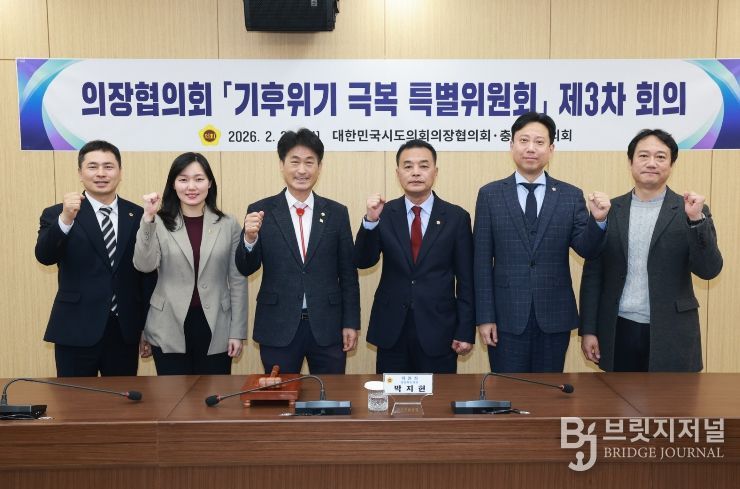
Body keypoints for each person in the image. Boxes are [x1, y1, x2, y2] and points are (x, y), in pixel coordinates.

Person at [473, 112, 610, 373]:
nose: (531, 148)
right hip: (505, 317)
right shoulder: (490, 195)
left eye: (539, 142)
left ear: (551, 149)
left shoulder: (570, 195)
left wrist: (599, 220)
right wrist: (485, 317)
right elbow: (481, 262)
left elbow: (587, 249)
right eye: (524, 140)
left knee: (549, 390)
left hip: (554, 316)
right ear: (512, 145)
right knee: (508, 389)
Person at [579, 129, 722, 372]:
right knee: (617, 396)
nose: (652, 163)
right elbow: (594, 274)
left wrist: (696, 221)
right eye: (643, 156)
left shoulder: (691, 210)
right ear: (631, 162)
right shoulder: (610, 210)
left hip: (672, 330)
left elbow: (709, 270)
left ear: (672, 164)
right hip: (618, 327)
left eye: (661, 157)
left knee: (668, 397)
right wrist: (589, 330)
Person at [235, 128, 360, 374]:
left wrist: (350, 322)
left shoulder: (336, 212)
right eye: (294, 162)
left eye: (309, 162)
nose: (302, 170)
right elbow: (246, 267)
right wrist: (249, 238)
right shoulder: (261, 210)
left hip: (328, 326)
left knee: (330, 394)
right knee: (280, 394)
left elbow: (348, 273)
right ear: (281, 165)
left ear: (319, 167)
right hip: (277, 325)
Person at [354, 140, 474, 373]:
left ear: (435, 172)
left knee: (438, 395)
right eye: (408, 166)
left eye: (423, 166)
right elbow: (363, 261)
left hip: (439, 329)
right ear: (398, 173)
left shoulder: (456, 217)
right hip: (392, 329)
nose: (416, 172)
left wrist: (464, 330)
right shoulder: (384, 213)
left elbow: (466, 280)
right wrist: (370, 221)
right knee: (391, 394)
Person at [35, 140, 153, 377]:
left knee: (122, 398)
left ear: (120, 172)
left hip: (123, 330)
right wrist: (65, 220)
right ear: (80, 173)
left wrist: (146, 327)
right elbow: (45, 256)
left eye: (108, 166)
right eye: (92, 166)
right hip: (75, 328)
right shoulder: (57, 213)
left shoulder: (138, 214)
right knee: (74, 398)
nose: (101, 173)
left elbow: (146, 276)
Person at [133, 152, 247, 375]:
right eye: (183, 179)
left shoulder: (228, 224)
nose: (191, 187)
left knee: (214, 394)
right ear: (173, 184)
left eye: (199, 179)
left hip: (216, 324)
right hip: (167, 324)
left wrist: (237, 331)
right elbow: (144, 265)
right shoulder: (158, 221)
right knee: (172, 394)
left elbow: (237, 279)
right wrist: (148, 219)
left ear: (210, 183)